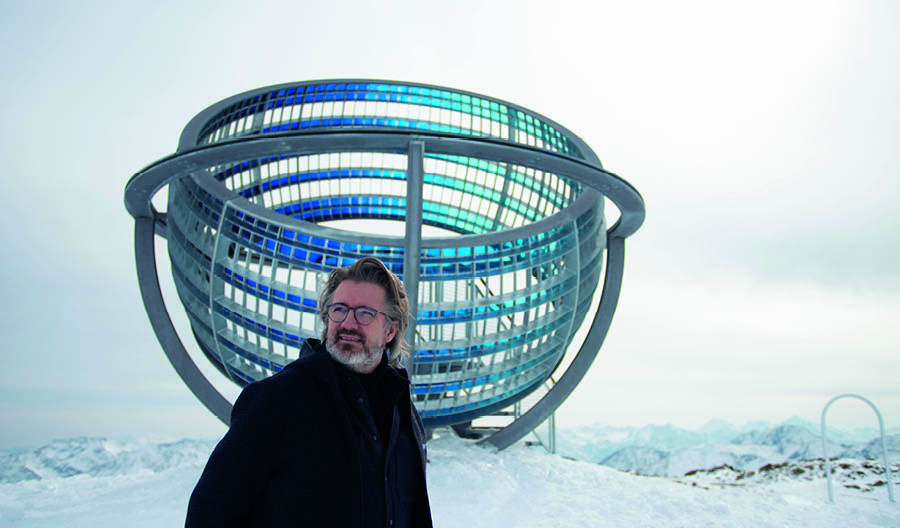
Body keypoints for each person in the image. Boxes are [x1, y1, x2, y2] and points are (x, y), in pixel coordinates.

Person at [185, 257, 433, 528]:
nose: (348, 323)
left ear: (390, 330)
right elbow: (211, 511)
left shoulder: (403, 413)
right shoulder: (276, 402)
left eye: (364, 313)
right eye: (339, 309)